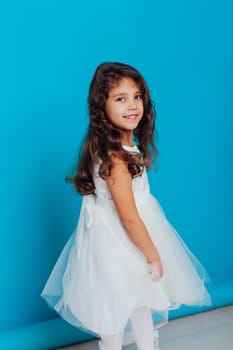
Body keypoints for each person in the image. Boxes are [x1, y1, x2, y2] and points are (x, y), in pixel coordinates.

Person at [41, 62, 211, 350]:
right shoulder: (116, 160)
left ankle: (147, 345)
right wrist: (153, 255)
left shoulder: (119, 148)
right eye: (120, 99)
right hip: (120, 243)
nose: (132, 105)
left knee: (138, 300)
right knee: (118, 308)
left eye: (137, 96)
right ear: (101, 107)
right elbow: (130, 218)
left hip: (119, 239)